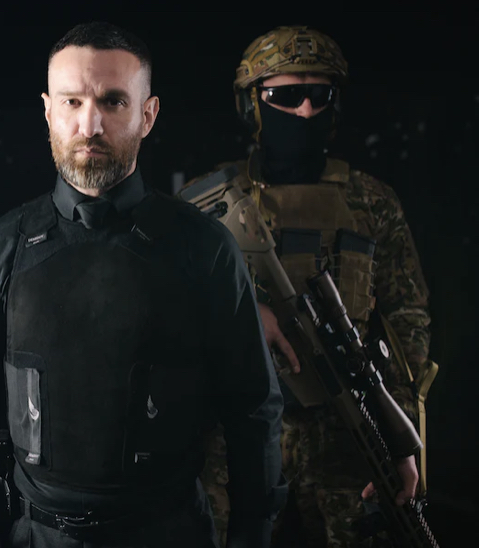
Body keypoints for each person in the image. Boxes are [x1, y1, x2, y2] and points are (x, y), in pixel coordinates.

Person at [0, 21, 286, 548]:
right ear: (48, 110)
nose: (89, 125)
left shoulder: (204, 248)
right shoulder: (0, 248)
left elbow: (253, 411)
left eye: (113, 101)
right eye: (72, 102)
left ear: (148, 114)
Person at [182, 26, 434, 547]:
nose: (304, 111)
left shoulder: (371, 202)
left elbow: (406, 322)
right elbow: (166, 309)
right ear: (252, 105)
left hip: (346, 432)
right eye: (284, 96)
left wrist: (399, 436)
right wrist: (244, 313)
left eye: (320, 95)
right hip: (233, 433)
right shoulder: (209, 204)